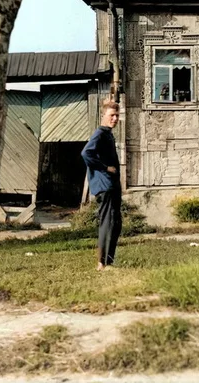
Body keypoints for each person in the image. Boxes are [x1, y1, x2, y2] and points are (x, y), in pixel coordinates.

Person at [81, 100, 122, 271]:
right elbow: (86, 153)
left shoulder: (108, 134)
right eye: (112, 115)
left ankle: (108, 262)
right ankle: (102, 263)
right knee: (108, 222)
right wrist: (105, 168)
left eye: (117, 115)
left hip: (111, 185)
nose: (115, 119)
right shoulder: (99, 133)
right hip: (105, 185)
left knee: (115, 222)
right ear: (103, 115)